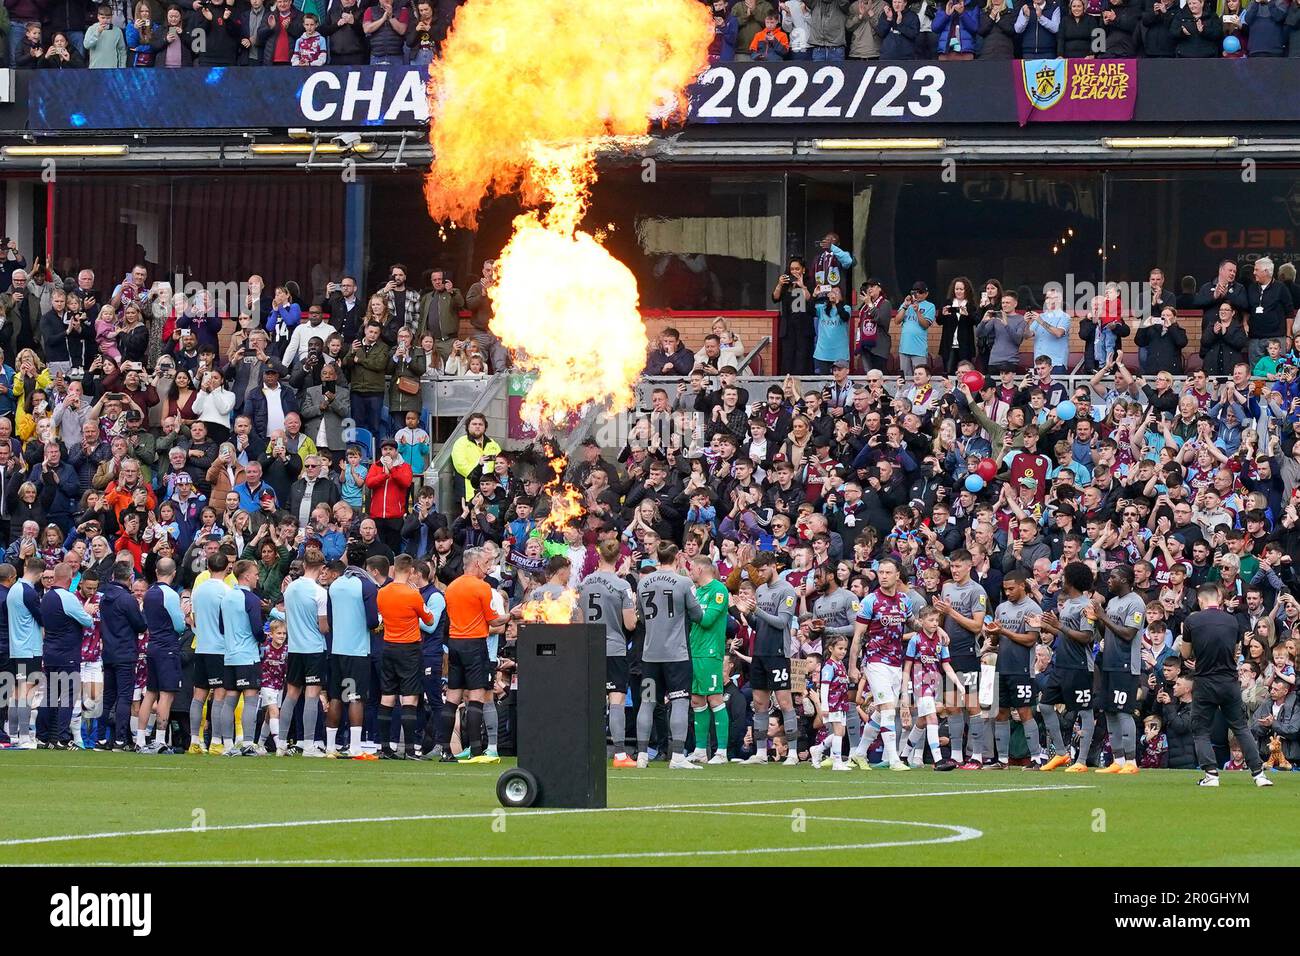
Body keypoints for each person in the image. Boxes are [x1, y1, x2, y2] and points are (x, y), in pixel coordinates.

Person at [1181, 583, 1273, 788]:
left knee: (1201, 731)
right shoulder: (1231, 621)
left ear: (1200, 600)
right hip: (1229, 681)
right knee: (1240, 727)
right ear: (1219, 599)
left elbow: (1186, 654)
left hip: (1205, 681)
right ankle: (1259, 775)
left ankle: (1211, 775)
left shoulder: (1192, 620)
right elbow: (1235, 652)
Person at [634, 542, 704, 769]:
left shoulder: (643, 581)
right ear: (676, 557)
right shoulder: (683, 582)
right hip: (676, 656)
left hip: (650, 656)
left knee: (647, 702)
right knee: (680, 701)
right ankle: (677, 757)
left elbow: (642, 617)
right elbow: (698, 615)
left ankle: (642, 755)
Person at [442, 546, 513, 763]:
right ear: (476, 564)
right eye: (487, 563)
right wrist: (512, 614)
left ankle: (446, 750)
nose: (489, 567)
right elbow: (494, 621)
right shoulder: (481, 588)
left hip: (455, 643)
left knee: (453, 696)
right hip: (474, 644)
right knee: (476, 697)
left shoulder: (451, 587)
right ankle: (475, 750)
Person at [849, 556, 920, 770]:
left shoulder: (903, 600)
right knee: (889, 708)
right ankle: (894, 759)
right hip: (875, 660)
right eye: (881, 573)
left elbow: (912, 622)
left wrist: (935, 628)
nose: (884, 576)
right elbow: (858, 636)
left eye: (888, 572)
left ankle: (858, 754)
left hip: (895, 662)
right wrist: (853, 665)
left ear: (898, 575)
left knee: (881, 712)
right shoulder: (870, 601)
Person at [578, 539, 639, 767]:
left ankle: (589, 750)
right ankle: (620, 754)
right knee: (617, 700)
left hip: (588, 646)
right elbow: (630, 624)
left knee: (592, 701)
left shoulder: (584, 583)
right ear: (620, 558)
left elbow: (579, 619)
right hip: (613, 647)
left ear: (599, 555)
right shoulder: (621, 585)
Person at [1035, 561, 1098, 771]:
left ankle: (1081, 761)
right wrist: (1047, 626)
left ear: (1071, 580)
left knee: (1085, 711)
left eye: (1063, 576)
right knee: (1045, 705)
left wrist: (1059, 625)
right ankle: (1061, 754)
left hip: (1079, 666)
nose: (1060, 579)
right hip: (1061, 665)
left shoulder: (1085, 605)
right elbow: (1066, 634)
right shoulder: (1069, 604)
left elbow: (1088, 637)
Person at [374, 554, 435, 760]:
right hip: (409, 648)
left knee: (387, 695)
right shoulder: (413, 594)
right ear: (410, 572)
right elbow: (429, 618)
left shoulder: (382, 593)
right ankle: (409, 748)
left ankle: (385, 747)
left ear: (393, 570)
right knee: (409, 697)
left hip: (388, 646)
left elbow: (381, 614)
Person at [988, 571, 1047, 769]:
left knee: (1024, 712)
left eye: (1011, 588)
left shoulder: (1032, 609)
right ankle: (1002, 760)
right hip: (1002, 666)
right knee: (1001, 713)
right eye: (1005, 589)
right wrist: (993, 634)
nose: (1007, 592)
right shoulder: (1001, 608)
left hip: (1021, 669)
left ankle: (1036, 758)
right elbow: (997, 640)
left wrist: (1003, 630)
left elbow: (1031, 640)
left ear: (1022, 586)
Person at [1092, 565, 1146, 774]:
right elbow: (1106, 632)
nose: (1109, 580)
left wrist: (1103, 616)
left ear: (1124, 580)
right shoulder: (1113, 602)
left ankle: (1131, 762)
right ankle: (1119, 759)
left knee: (1124, 712)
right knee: (1110, 712)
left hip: (1125, 664)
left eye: (1113, 577)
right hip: (1109, 662)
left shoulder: (1136, 603)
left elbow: (1128, 633)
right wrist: (1097, 619)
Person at [278, 550, 331, 756]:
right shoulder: (319, 592)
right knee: (312, 695)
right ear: (321, 567)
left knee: (290, 696)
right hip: (314, 649)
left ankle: (281, 742)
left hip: (295, 648)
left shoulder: (290, 588)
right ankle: (309, 745)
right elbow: (323, 626)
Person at [325, 560, 379, 760]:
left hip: (337, 649)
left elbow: (330, 621)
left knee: (336, 697)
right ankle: (355, 747)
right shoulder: (366, 585)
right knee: (356, 697)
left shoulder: (335, 584)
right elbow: (373, 621)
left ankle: (331, 747)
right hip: (357, 651)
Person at [38, 562, 94, 750]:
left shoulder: (46, 598)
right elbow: (87, 621)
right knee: (68, 696)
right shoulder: (67, 598)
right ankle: (62, 738)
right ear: (70, 579)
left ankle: (42, 737)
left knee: (50, 696)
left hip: (50, 652)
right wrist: (87, 611)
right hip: (67, 653)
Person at [138, 557, 187, 754]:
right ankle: (159, 740)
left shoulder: (149, 593)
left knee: (150, 693)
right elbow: (179, 625)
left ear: (157, 572)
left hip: (153, 645)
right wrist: (183, 614)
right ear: (173, 573)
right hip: (167, 646)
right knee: (166, 695)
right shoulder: (170, 594)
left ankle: (140, 739)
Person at [686, 553, 732, 764]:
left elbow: (707, 620)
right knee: (697, 699)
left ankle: (721, 751)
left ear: (701, 569)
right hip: (694, 651)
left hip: (711, 652)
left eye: (691, 568)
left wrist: (687, 607)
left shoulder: (718, 590)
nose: (689, 572)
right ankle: (700, 750)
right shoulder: (695, 591)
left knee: (715, 698)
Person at [218, 559, 264, 757]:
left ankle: (227, 745)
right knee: (251, 701)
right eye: (255, 574)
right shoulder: (251, 599)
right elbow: (257, 629)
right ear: (246, 576)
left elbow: (221, 627)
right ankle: (247, 744)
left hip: (230, 657)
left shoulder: (227, 598)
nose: (257, 577)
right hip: (247, 656)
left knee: (229, 701)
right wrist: (263, 638)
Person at [187, 551, 230, 755]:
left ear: (209, 568)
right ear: (226, 568)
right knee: (219, 696)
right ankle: (215, 741)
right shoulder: (226, 591)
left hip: (201, 646)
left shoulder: (198, 590)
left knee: (198, 696)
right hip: (219, 648)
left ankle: (194, 740)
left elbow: (193, 618)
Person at [96, 561, 142, 752]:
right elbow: (140, 625)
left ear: (114, 576)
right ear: (130, 578)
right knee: (124, 697)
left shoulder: (105, 597)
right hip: (125, 653)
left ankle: (100, 738)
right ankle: (120, 740)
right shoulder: (127, 599)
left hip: (108, 652)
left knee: (107, 698)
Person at [5, 557, 43, 749]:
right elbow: (43, 618)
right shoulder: (29, 592)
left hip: (16, 648)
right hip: (30, 648)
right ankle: (25, 737)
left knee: (16, 692)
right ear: (41, 573)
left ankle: (13, 735)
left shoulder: (14, 589)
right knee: (26, 693)